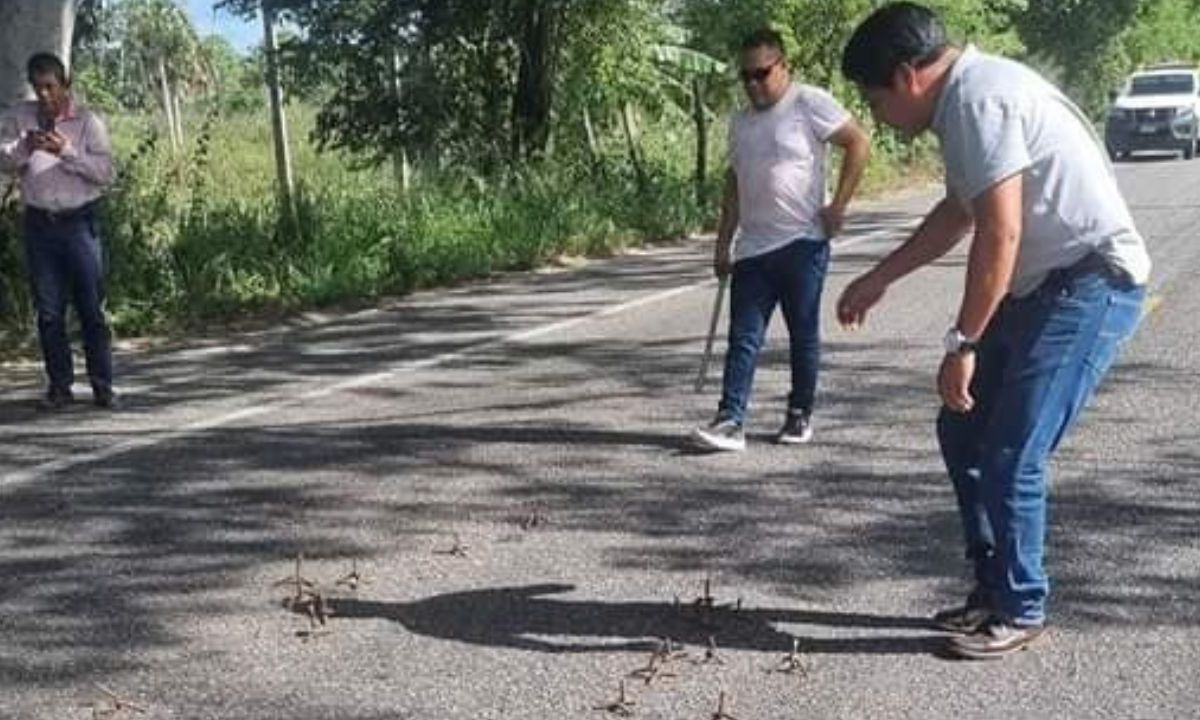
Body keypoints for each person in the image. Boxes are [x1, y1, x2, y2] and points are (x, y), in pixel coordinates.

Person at [838, 2, 1151, 659]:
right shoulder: (966, 102)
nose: (879, 117)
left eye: (874, 99)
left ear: (906, 77)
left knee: (1013, 451)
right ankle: (991, 588)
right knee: (963, 429)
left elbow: (1000, 233)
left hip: (1091, 282)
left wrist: (963, 343)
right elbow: (958, 212)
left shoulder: (980, 102)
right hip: (1049, 284)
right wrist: (880, 277)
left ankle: (1021, 605)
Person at [690, 29, 870, 452]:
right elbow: (733, 184)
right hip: (753, 247)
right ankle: (731, 419)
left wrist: (839, 205)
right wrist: (722, 243)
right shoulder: (740, 122)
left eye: (762, 73)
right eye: (745, 76)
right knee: (744, 336)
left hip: (803, 242)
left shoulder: (809, 102)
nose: (753, 84)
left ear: (783, 67)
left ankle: (799, 414)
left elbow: (858, 142)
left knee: (802, 333)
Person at [0, 52, 117, 410]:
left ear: (66, 84)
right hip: (40, 225)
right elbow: (4, 160)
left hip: (80, 222)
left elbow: (106, 174)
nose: (45, 95)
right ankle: (60, 386)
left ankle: (102, 384)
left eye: (51, 86)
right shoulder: (20, 118)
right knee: (49, 311)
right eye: (38, 89)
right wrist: (24, 147)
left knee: (90, 308)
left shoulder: (87, 122)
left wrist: (66, 151)